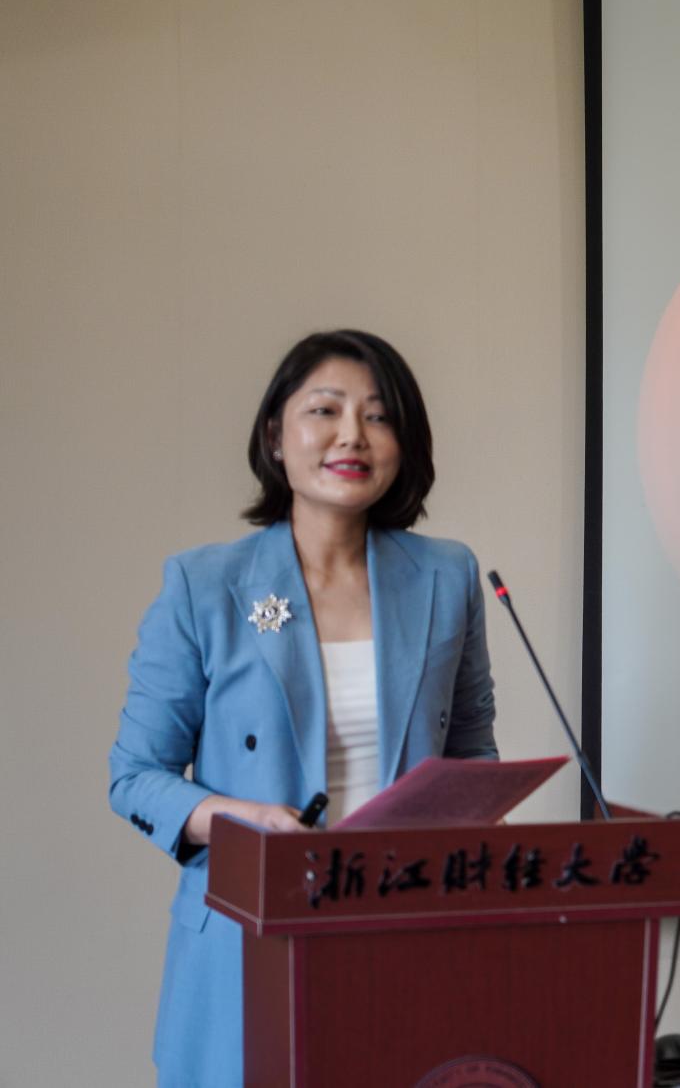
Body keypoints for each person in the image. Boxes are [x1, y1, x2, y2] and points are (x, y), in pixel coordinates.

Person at [108, 329, 496, 1087]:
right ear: (274, 437)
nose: (353, 435)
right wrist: (239, 816)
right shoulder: (204, 586)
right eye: (325, 410)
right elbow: (135, 777)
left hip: (405, 934)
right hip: (248, 940)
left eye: (379, 416)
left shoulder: (447, 577)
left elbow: (473, 755)